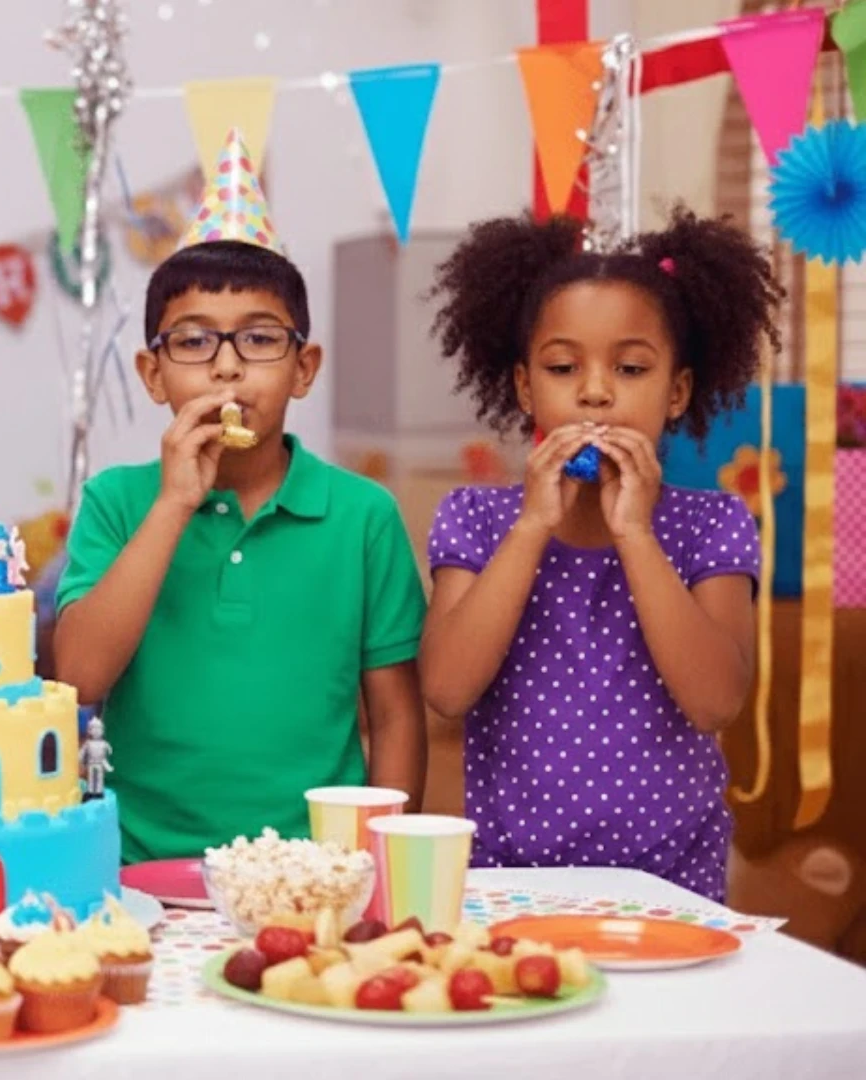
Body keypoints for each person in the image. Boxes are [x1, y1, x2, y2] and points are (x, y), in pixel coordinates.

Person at [53, 132, 427, 862]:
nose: (226, 369)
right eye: (193, 343)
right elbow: (77, 679)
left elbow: (395, 715)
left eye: (259, 339)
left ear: (303, 367)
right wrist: (172, 506)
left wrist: (380, 867)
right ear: (153, 375)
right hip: (136, 866)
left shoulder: (363, 516)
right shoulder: (118, 501)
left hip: (314, 868)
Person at [421, 208, 783, 902]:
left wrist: (637, 535)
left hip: (674, 888)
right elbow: (445, 690)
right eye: (563, 366)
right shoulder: (478, 519)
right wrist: (531, 527)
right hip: (508, 884)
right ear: (526, 387)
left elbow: (714, 703)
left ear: (677, 391)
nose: (594, 389)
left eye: (630, 367)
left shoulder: (713, 525)